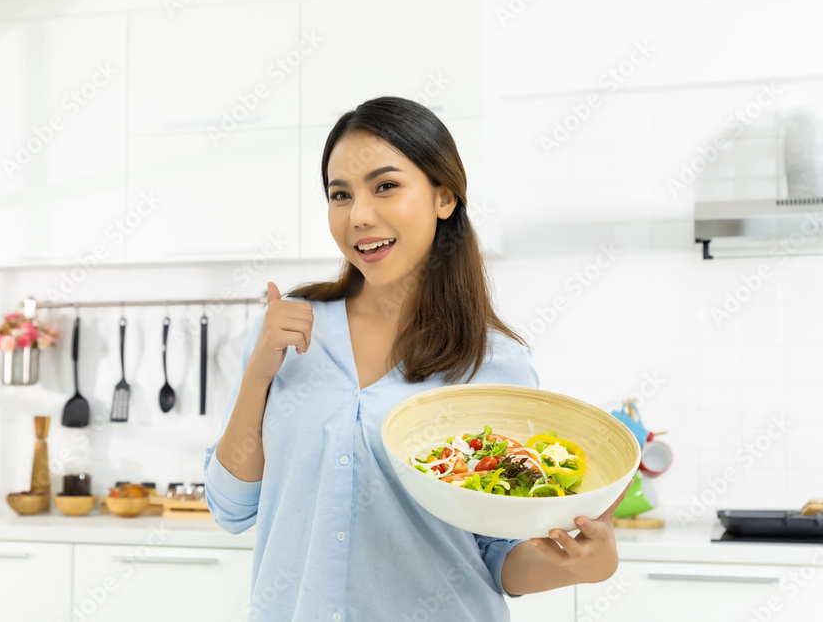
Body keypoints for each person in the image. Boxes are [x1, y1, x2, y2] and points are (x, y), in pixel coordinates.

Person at [204, 96, 626, 621]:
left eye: (386, 186)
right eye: (341, 195)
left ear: (444, 197)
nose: (359, 215)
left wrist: (588, 564)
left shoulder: (494, 363)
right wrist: (259, 371)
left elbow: (499, 557)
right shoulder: (287, 332)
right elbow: (231, 508)